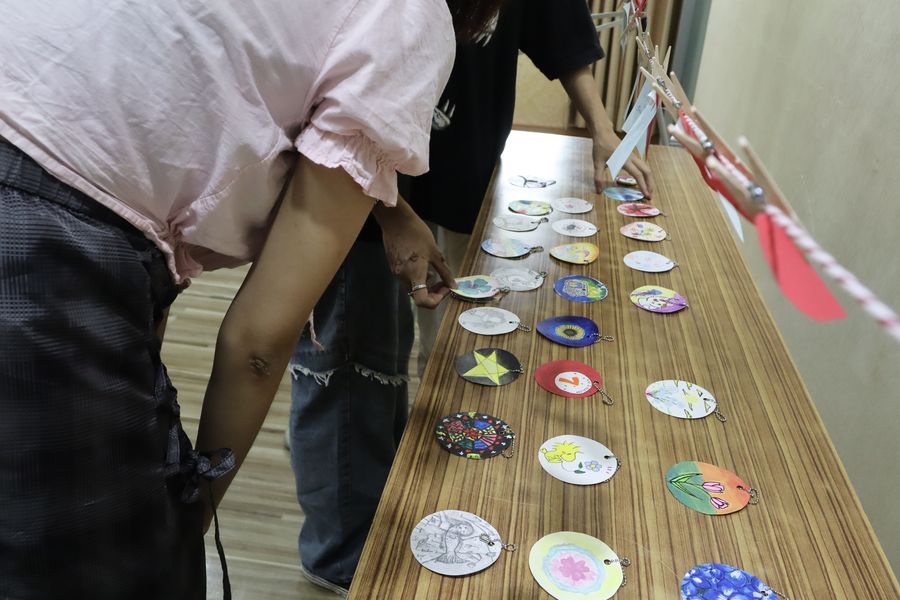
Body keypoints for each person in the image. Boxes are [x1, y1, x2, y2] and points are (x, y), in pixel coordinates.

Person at [0, 1, 501, 598]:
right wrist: (188, 515)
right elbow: (257, 347)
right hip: (40, 238)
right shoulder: (410, 16)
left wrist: (390, 209)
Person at [286, 0, 655, 596]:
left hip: (453, 172)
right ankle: (340, 557)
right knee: (349, 367)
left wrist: (601, 127)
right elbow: (326, 106)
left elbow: (558, 25)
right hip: (347, 184)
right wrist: (390, 212)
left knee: (407, 364)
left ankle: (382, 519)